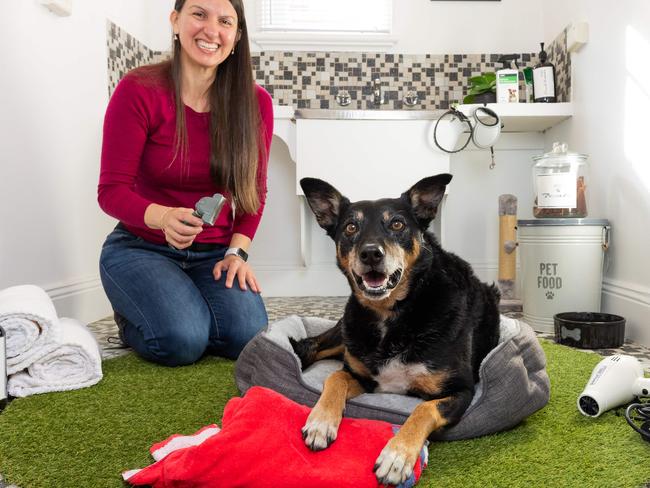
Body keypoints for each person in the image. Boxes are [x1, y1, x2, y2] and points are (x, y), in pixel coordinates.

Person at [98, 0, 273, 366]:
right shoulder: (139, 89)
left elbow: (254, 194)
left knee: (248, 338)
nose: (212, 30)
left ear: (237, 36)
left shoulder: (255, 103)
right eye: (199, 14)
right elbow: (111, 191)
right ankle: (135, 316)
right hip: (140, 247)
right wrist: (162, 217)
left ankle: (177, 305)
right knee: (182, 343)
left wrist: (236, 253)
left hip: (213, 254)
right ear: (175, 21)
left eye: (225, 21)